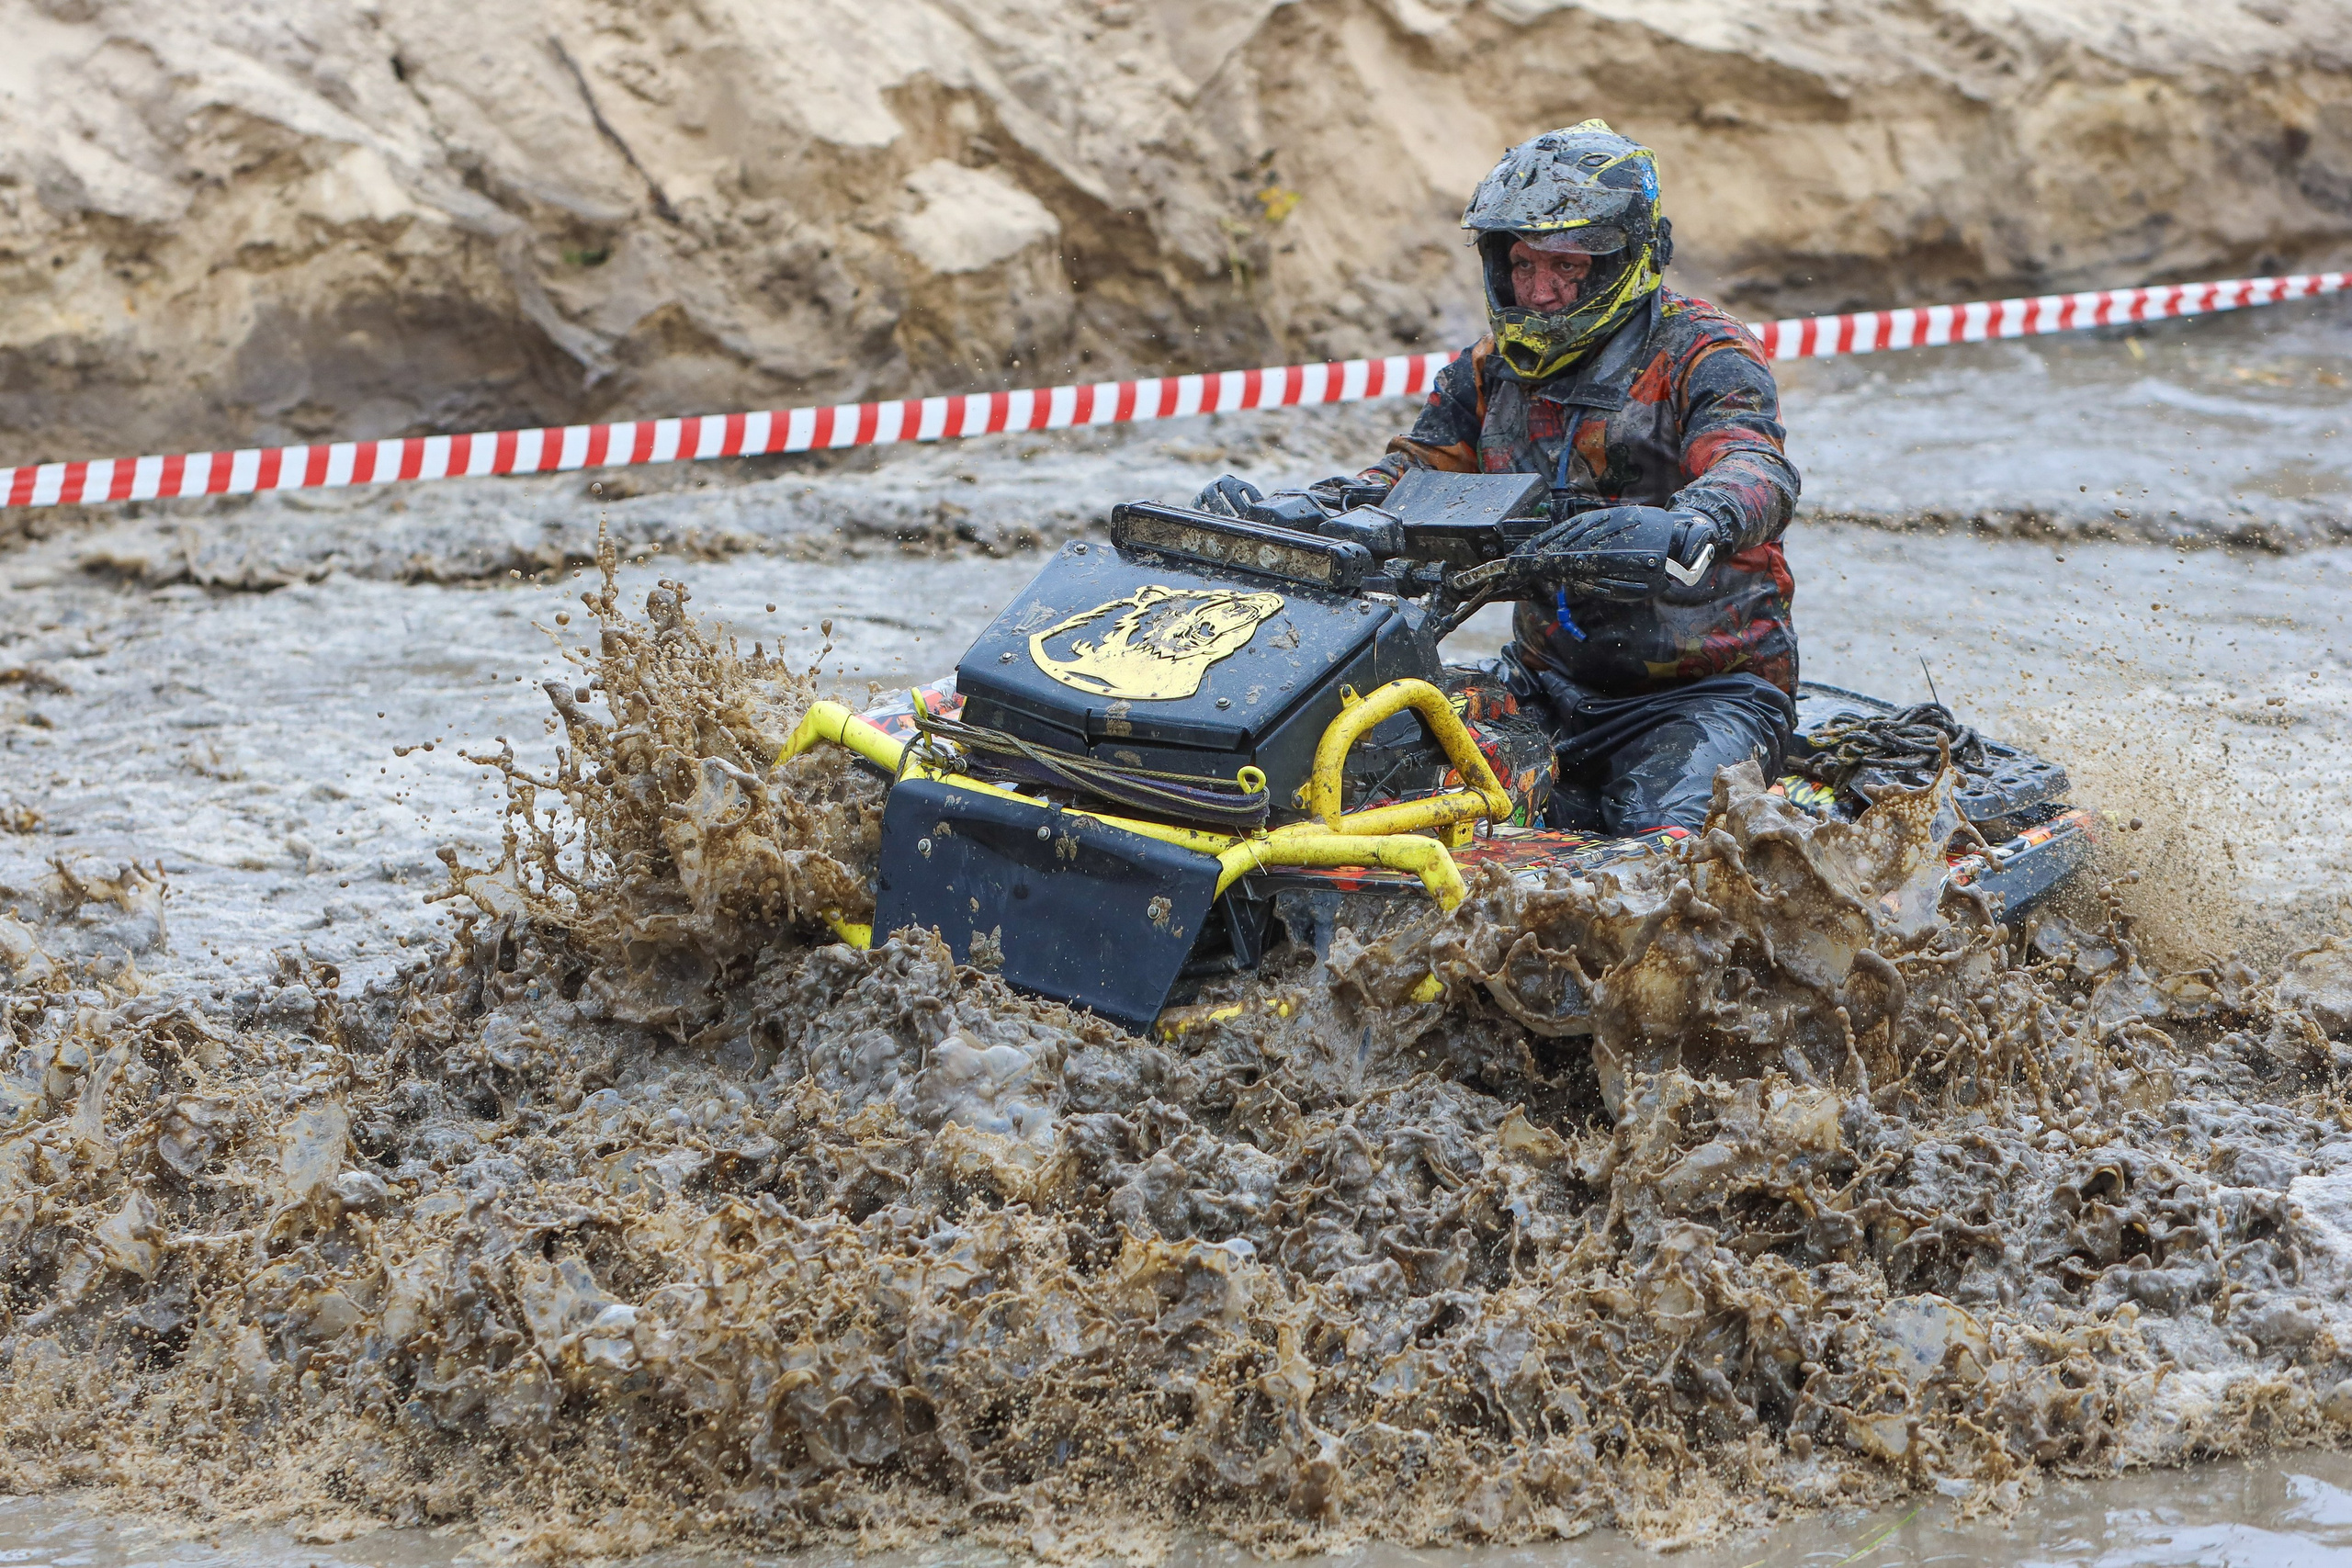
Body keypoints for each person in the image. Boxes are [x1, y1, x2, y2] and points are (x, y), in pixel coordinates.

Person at [1198, 120, 1801, 835]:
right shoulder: (1485, 372)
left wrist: (1697, 520)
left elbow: (1753, 463)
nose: (1540, 292)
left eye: (1567, 267)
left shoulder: (1705, 349)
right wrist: (1305, 507)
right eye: (1522, 264)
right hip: (1545, 685)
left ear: (1624, 261)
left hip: (1710, 695)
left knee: (1657, 843)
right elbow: (1411, 473)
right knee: (1384, 774)